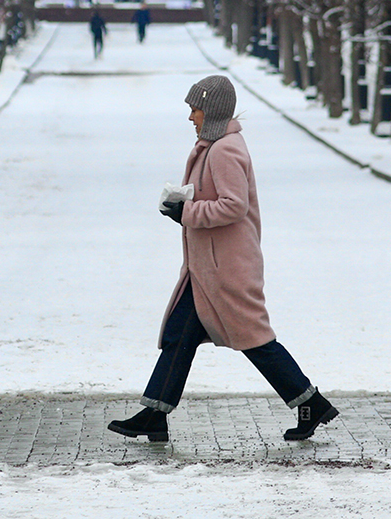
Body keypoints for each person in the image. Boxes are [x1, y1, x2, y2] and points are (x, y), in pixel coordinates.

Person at [108, 75, 338, 443]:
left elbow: (234, 206)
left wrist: (187, 211)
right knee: (177, 337)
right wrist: (183, 208)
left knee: (255, 341)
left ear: (210, 110)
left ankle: (311, 404)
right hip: (206, 269)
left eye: (194, 109)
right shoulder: (212, 146)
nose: (190, 118)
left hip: (226, 270)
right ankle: (155, 414)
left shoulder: (225, 150)